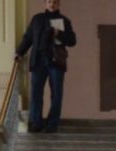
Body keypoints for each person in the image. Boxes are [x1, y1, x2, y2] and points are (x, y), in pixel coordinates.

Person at [18, 0, 75, 134]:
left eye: (55, 2)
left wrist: (59, 34)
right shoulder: (37, 19)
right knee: (36, 93)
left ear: (58, 4)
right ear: (45, 3)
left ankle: (52, 124)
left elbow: (72, 41)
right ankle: (35, 123)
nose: (52, 4)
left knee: (56, 93)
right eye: (49, 1)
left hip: (56, 61)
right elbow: (28, 37)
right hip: (38, 60)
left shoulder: (64, 21)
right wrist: (19, 52)